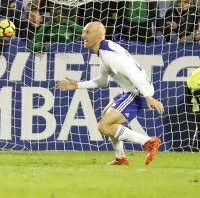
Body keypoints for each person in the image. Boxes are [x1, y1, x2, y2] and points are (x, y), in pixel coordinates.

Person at [56, 21, 164, 166]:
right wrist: (77, 85)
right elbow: (102, 82)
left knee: (104, 126)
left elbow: (133, 74)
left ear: (98, 36)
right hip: (131, 90)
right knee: (108, 117)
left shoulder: (109, 55)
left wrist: (147, 96)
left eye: (87, 32)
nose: (83, 36)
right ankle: (120, 158)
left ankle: (149, 142)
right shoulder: (104, 49)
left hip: (137, 92)